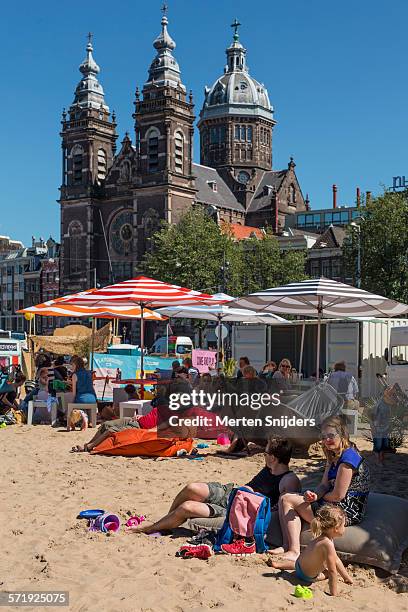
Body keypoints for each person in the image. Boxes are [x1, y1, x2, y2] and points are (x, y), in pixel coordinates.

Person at [127, 438, 301, 542]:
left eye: (265, 453)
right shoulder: (269, 468)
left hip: (238, 509)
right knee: (191, 488)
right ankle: (165, 523)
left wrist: (251, 498)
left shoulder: (289, 480)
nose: (263, 455)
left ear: (273, 458)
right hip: (231, 492)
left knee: (187, 507)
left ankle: (149, 528)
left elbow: (279, 512)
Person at [269, 416, 370, 561]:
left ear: (342, 434)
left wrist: (318, 497)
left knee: (287, 500)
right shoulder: (334, 455)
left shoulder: (348, 458)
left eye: (331, 435)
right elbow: (324, 485)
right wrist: (315, 495)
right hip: (333, 504)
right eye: (324, 437)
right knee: (285, 496)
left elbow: (338, 495)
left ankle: (294, 550)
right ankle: (286, 545)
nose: (327, 440)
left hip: (345, 511)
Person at [270, 505, 353, 596]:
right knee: (326, 573)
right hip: (307, 576)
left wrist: (346, 577)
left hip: (298, 565)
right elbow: (332, 570)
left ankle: (278, 564)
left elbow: (336, 559)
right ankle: (284, 567)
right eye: (344, 525)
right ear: (336, 528)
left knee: (297, 564)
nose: (344, 528)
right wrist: (334, 592)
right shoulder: (328, 544)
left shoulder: (321, 537)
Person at [371, 385, 394, 464]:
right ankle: (378, 461)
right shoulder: (380, 404)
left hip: (385, 427)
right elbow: (374, 416)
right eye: (388, 390)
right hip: (379, 428)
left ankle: (381, 460)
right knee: (378, 446)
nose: (390, 391)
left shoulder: (389, 402)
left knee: (384, 445)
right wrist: (374, 426)